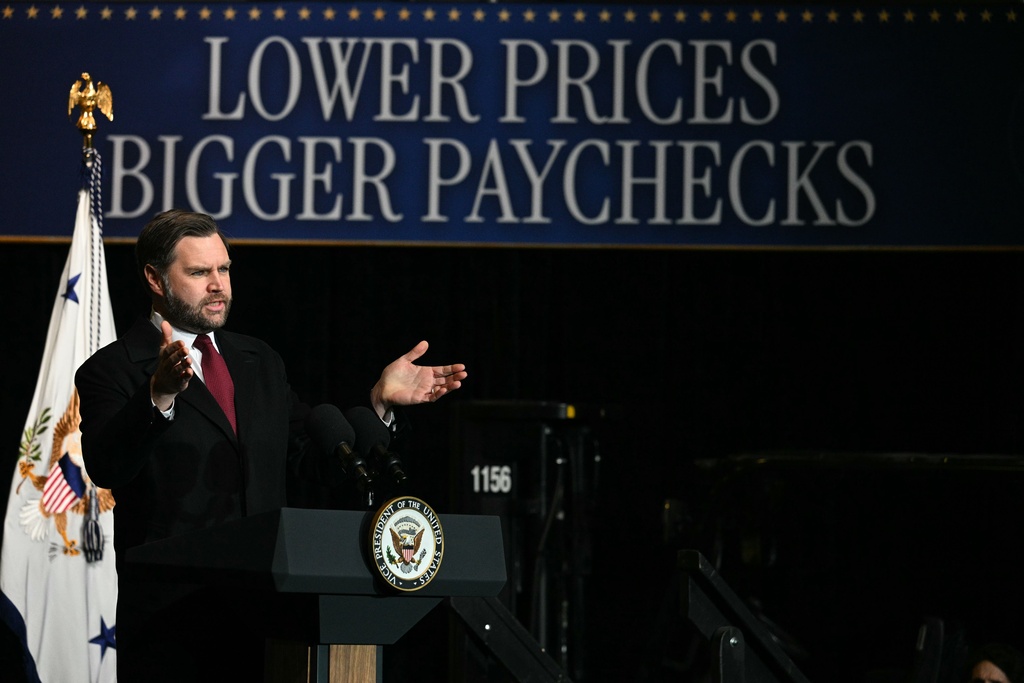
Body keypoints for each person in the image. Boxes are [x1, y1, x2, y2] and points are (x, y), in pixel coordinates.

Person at [75, 209, 467, 681]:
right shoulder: (113, 369)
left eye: (223, 269)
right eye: (199, 272)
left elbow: (312, 459)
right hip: (175, 628)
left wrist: (378, 404)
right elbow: (107, 466)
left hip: (270, 619)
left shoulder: (258, 360)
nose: (218, 284)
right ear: (155, 279)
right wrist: (157, 395)